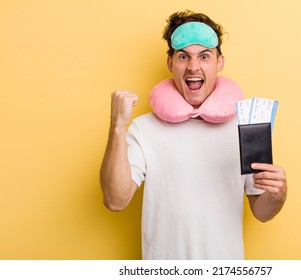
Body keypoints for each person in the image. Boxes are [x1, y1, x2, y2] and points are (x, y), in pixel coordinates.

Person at [100, 10, 287, 260]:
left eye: (204, 56)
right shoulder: (143, 128)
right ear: (170, 63)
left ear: (219, 62)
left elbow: (262, 212)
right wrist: (117, 127)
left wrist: (278, 194)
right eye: (183, 56)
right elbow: (115, 200)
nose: (193, 66)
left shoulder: (246, 127)